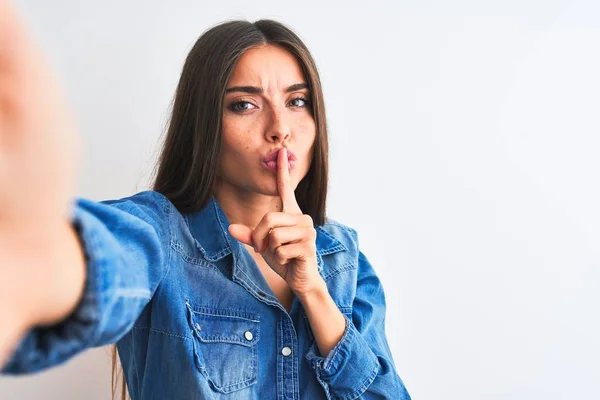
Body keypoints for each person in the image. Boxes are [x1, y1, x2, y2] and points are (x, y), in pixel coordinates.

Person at [0, 2, 411, 398]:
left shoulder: (346, 259)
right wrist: (33, 264)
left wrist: (314, 292)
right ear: (205, 124)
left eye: (297, 101)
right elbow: (103, 262)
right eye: (244, 104)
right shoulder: (158, 233)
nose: (280, 128)